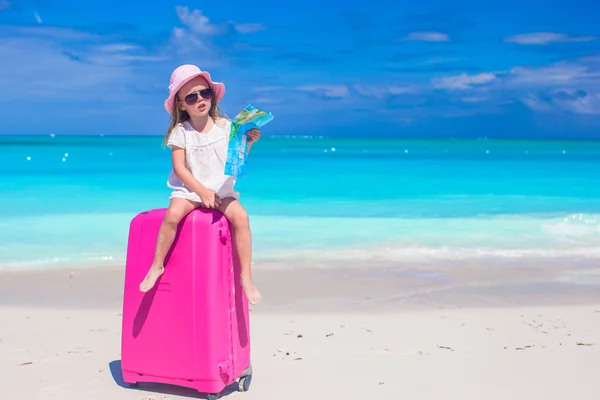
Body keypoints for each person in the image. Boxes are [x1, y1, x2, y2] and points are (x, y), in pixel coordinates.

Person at [138, 64, 262, 305]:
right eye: (191, 97)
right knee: (173, 214)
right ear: (181, 104)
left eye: (204, 93)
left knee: (242, 218)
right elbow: (179, 168)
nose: (200, 99)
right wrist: (201, 191)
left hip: (221, 192)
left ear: (212, 95)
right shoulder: (181, 132)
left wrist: (249, 143)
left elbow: (236, 162)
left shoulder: (227, 127)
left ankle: (245, 278)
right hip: (191, 191)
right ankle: (157, 265)